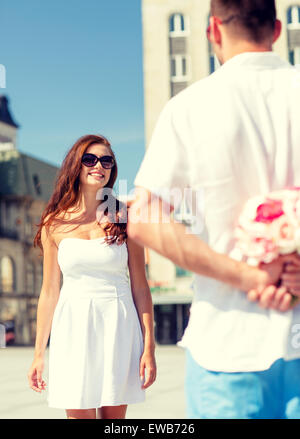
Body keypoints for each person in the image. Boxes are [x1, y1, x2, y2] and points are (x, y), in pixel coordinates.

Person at [127, 0, 300, 419]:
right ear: (276, 29)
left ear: (213, 31)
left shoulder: (190, 105)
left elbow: (144, 217)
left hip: (227, 342)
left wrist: (249, 275)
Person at [27, 134, 156, 420]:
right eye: (90, 159)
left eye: (107, 160)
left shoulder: (126, 217)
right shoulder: (54, 223)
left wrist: (149, 346)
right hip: (73, 326)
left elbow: (141, 287)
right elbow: (49, 291)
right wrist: (38, 354)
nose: (99, 165)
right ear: (76, 166)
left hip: (118, 324)